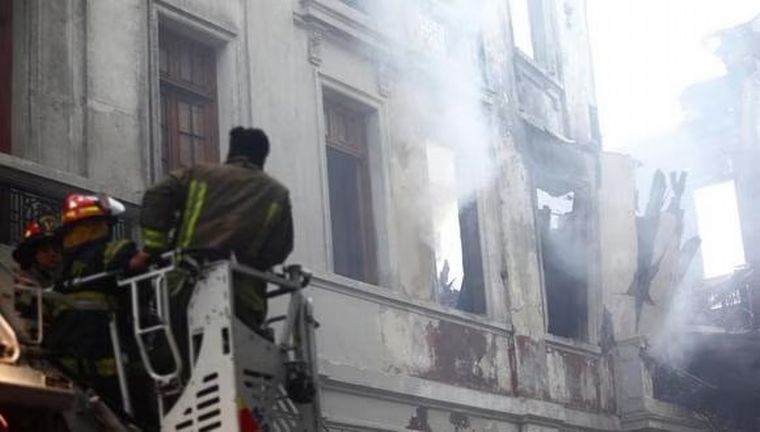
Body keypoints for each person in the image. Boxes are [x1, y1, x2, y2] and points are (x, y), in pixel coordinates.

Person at [138, 127, 294, 330]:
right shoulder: (278, 194)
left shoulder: (199, 174)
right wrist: (256, 261)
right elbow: (279, 250)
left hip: (185, 288)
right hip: (245, 300)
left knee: (171, 344)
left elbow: (157, 193)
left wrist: (154, 247)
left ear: (231, 152)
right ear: (263, 157)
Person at [44, 193, 139, 414]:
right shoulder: (110, 250)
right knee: (118, 398)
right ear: (98, 224)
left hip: (65, 339)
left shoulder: (65, 264)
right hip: (101, 335)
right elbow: (134, 266)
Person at [11, 215, 61, 340]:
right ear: (33, 255)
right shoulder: (23, 281)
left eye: (56, 250)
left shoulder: (66, 279)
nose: (52, 254)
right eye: (45, 250)